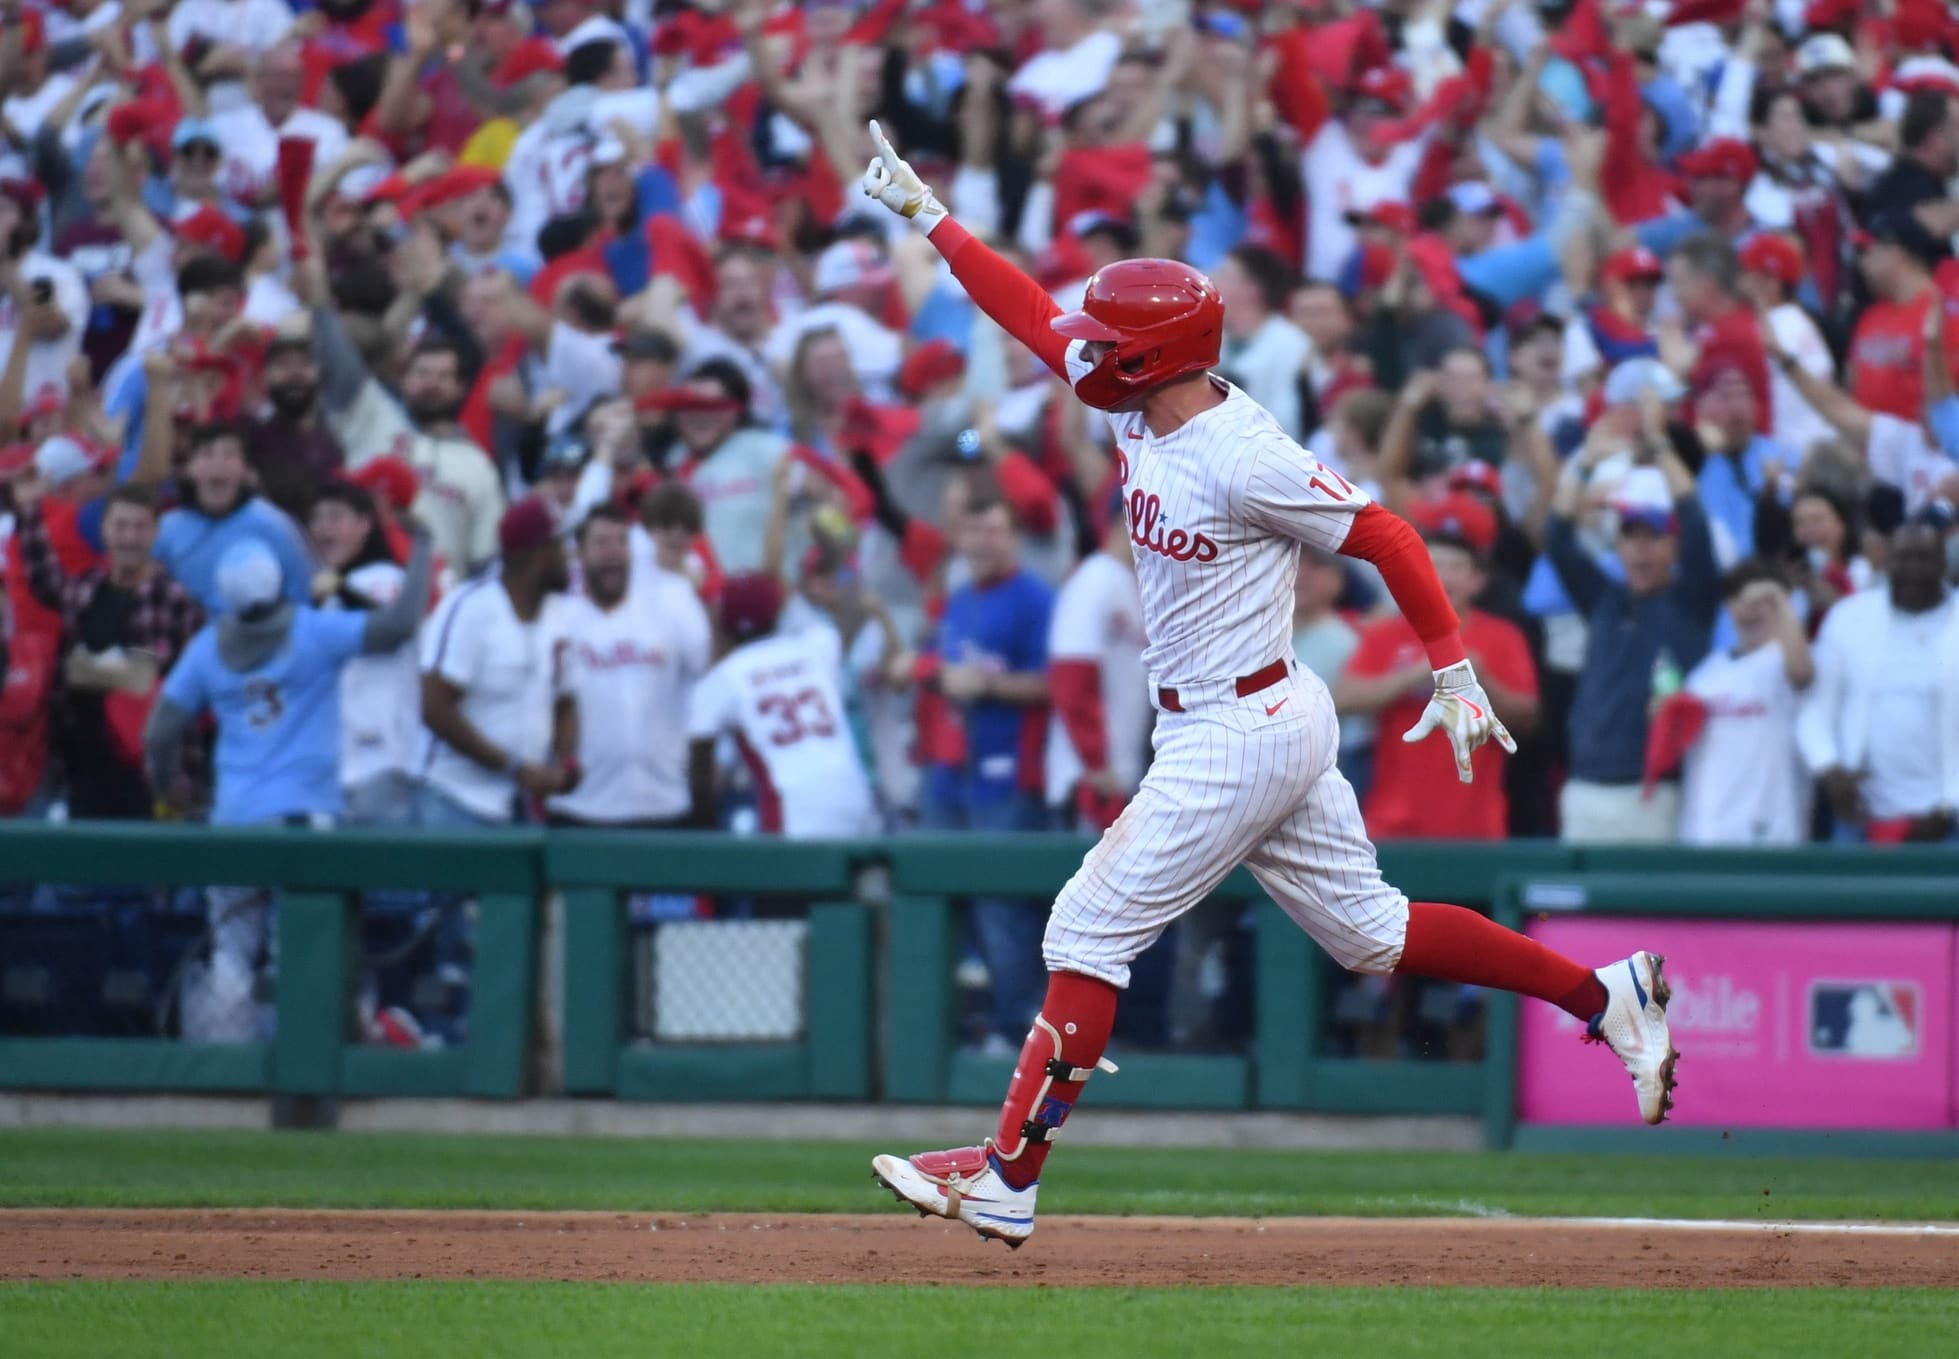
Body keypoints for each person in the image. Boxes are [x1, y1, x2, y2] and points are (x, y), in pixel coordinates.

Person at [859, 123, 1677, 1246]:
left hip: (1239, 726)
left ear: (1155, 353)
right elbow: (1025, 311)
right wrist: (932, 217)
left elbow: (1385, 531)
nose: (1085, 352)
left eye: (1106, 342)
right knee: (1374, 934)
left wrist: (1449, 660)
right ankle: (1606, 997)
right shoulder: (1146, 401)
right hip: (1255, 714)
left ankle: (1008, 1174)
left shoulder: (1242, 451)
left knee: (1085, 931)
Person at [1545, 417, 1721, 842]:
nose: (1641, 549)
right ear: (1618, 545)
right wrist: (1584, 464)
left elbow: (1694, 523)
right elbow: (1556, 538)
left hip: (1655, 790)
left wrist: (1660, 448)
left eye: (1654, 537)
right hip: (1585, 784)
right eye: (1630, 536)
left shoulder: (1692, 600)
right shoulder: (1604, 599)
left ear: (1673, 547)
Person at [1335, 495, 1538, 840]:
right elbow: (1343, 697)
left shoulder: (1502, 636)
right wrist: (1418, 673)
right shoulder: (1387, 635)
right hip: (1391, 822)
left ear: (1478, 580)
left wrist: (1480, 679)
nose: (1443, 578)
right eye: (1433, 565)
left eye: (1455, 568)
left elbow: (1529, 717)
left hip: (1475, 824)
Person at [12, 480, 202, 820]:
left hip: (150, 777)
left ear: (156, 532)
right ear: (104, 531)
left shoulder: (177, 601)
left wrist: (83, 668)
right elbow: (42, 579)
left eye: (140, 527)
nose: (129, 537)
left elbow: (164, 683)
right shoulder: (84, 588)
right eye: (120, 526)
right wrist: (29, 510)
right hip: (81, 767)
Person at [417, 496, 581, 827]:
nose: (570, 556)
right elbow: (434, 706)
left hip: (519, 808)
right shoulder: (471, 607)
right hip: (454, 801)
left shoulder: (558, 615)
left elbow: (566, 701)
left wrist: (564, 763)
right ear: (538, 555)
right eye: (561, 545)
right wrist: (513, 767)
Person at [549, 504, 710, 829]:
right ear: (579, 553)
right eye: (602, 542)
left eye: (622, 542)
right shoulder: (558, 619)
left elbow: (706, 670)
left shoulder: (670, 606)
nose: (614, 552)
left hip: (663, 804)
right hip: (581, 806)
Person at [1798, 520, 1959, 844]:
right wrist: (1830, 770)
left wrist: (1950, 807)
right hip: (1860, 816)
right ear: (1886, 563)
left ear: (1943, 563)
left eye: (1922, 558)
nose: (1911, 570)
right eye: (1902, 558)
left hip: (1947, 823)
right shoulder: (1849, 617)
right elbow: (1815, 710)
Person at [685, 571, 876, 837]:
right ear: (775, 616)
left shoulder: (721, 678)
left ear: (723, 624)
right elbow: (854, 615)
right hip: (856, 801)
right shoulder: (813, 646)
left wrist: (703, 824)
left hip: (794, 813)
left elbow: (699, 776)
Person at [1677, 562, 1815, 846]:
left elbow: (1801, 674)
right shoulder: (1704, 674)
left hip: (1771, 833)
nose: (1750, 610)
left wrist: (1779, 597)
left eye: (1763, 602)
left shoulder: (1788, 661)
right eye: (1739, 601)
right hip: (1705, 832)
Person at [309, 481, 421, 827]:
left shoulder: (386, 578)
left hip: (384, 759)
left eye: (336, 517)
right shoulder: (325, 596)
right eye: (318, 518)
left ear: (365, 525)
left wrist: (341, 588)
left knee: (390, 878)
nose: (324, 527)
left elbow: (389, 625)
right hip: (334, 765)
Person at [1045, 500, 1147, 833]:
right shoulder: (1094, 579)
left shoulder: (1133, 584)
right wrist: (1096, 763)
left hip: (1116, 775)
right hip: (1088, 780)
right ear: (1123, 522)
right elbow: (1072, 675)